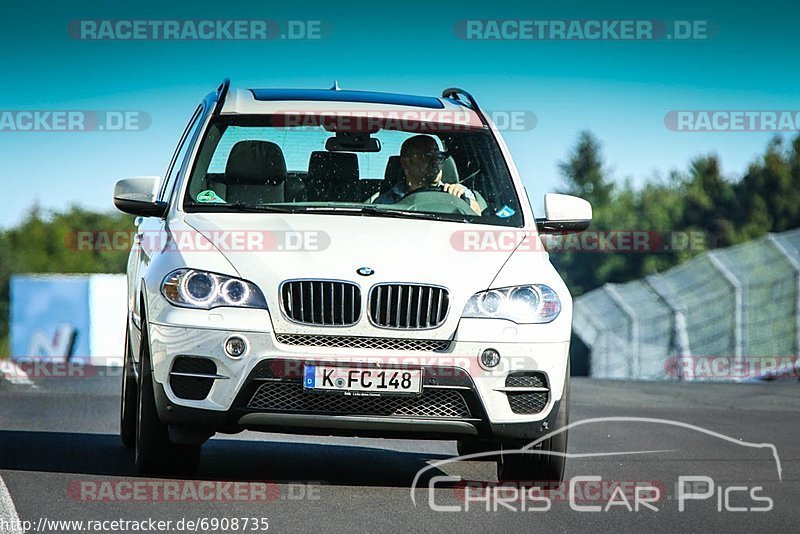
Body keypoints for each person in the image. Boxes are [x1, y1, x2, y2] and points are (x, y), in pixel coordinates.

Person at [374, 135, 482, 215]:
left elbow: (479, 216)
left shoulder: (459, 192)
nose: (436, 161)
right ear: (406, 161)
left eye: (439, 156)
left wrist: (462, 200)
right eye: (428, 155)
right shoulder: (386, 201)